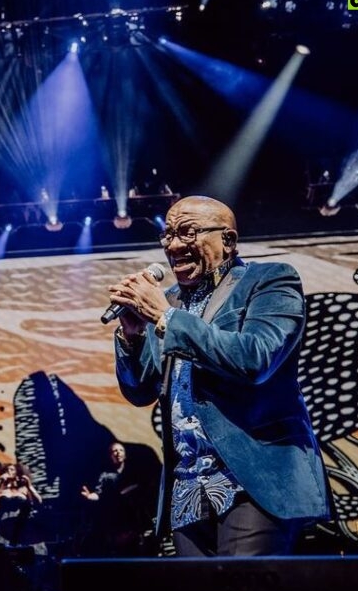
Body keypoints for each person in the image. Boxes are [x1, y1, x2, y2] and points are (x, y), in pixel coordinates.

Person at [109, 194, 330, 557]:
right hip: (188, 487)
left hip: (253, 478)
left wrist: (166, 319)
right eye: (168, 235)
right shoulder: (171, 302)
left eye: (188, 232)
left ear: (227, 239)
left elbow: (255, 358)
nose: (174, 244)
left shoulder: (269, 281)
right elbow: (141, 391)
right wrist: (131, 337)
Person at [78, 441, 151, 557]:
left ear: (125, 455)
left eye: (121, 450)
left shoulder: (133, 474)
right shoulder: (105, 476)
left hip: (133, 521)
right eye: (114, 451)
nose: (118, 453)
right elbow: (98, 494)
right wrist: (90, 496)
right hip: (115, 521)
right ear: (110, 456)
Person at [0, 461, 43, 548]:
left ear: (18, 472)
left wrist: (29, 486)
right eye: (7, 470)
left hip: (20, 521)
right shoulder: (2, 488)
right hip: (2, 521)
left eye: (12, 469)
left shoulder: (24, 487)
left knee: (21, 549)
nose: (8, 471)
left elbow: (39, 501)